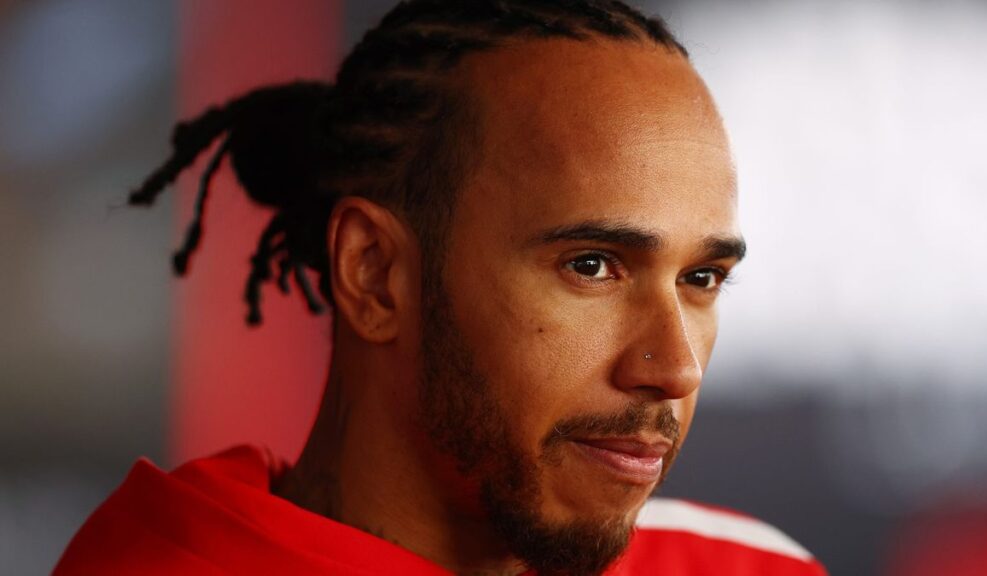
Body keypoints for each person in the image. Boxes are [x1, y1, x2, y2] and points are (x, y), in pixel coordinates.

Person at [55, 1, 827, 574]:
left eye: (701, 279)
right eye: (592, 265)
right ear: (376, 274)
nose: (674, 367)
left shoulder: (742, 566)